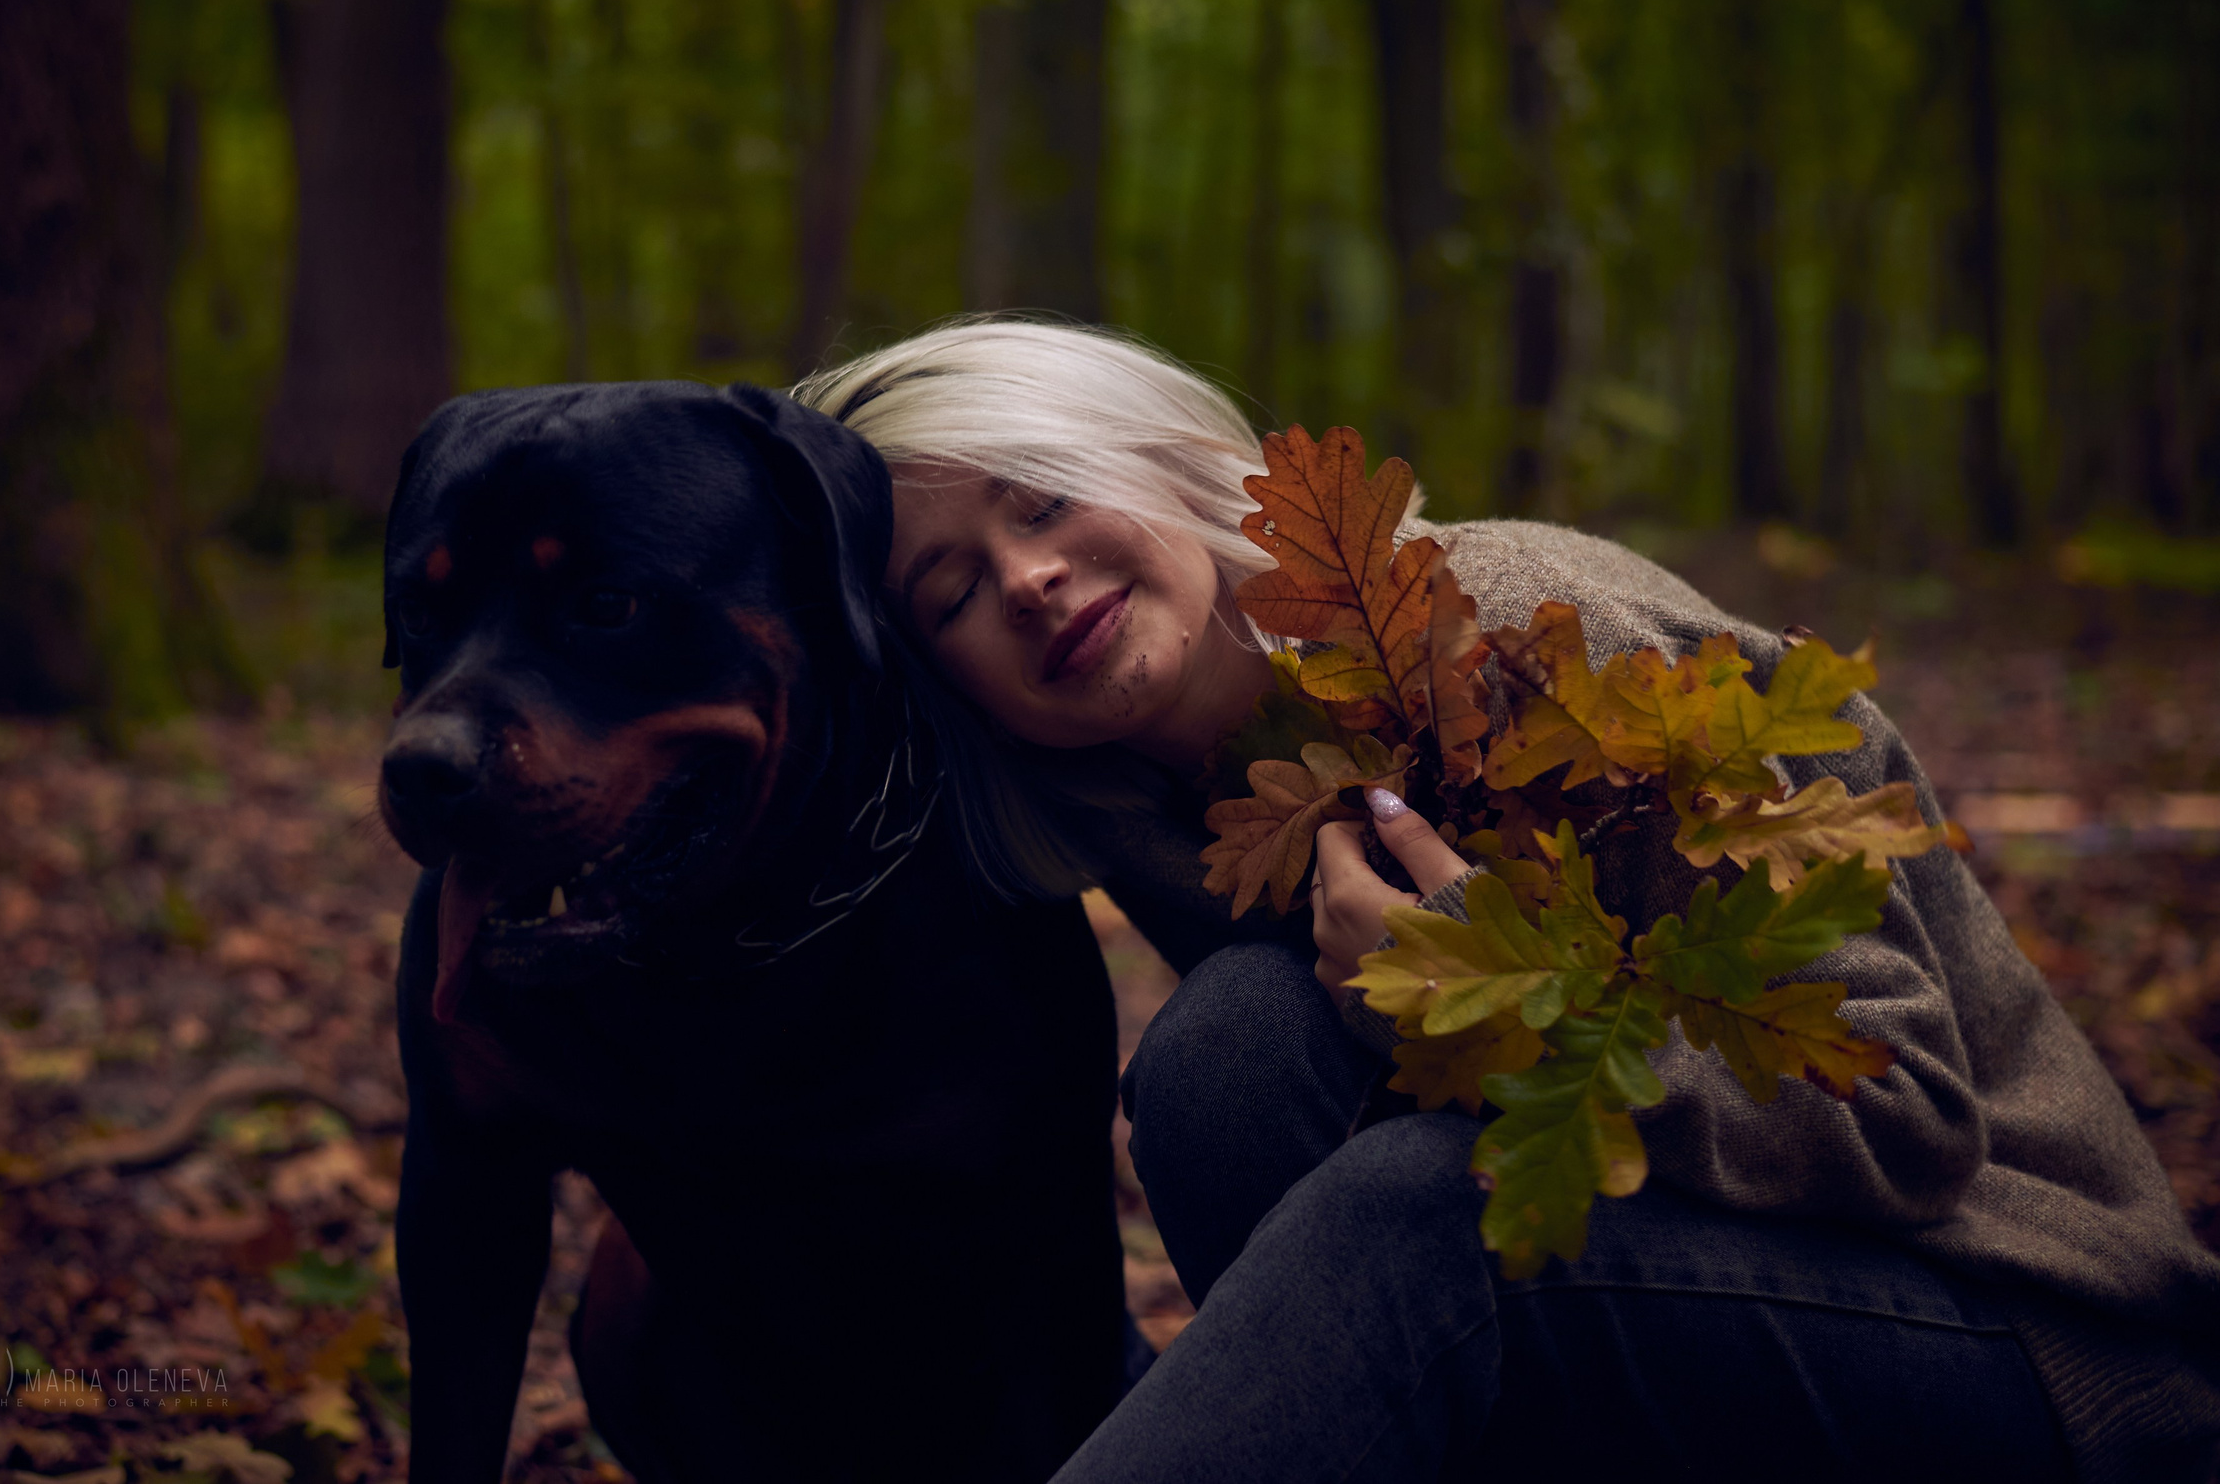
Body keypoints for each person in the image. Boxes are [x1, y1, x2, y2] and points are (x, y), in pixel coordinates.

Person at [792, 319, 2220, 1484]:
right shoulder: (1153, 810)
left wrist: (1520, 1002)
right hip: (1689, 1322)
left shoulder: (1532, 632)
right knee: (1228, 1056)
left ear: (1161, 458)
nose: (1028, 578)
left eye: (1042, 496)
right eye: (950, 591)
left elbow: (1906, 1109)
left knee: (1412, 1212)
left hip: (2041, 1345)